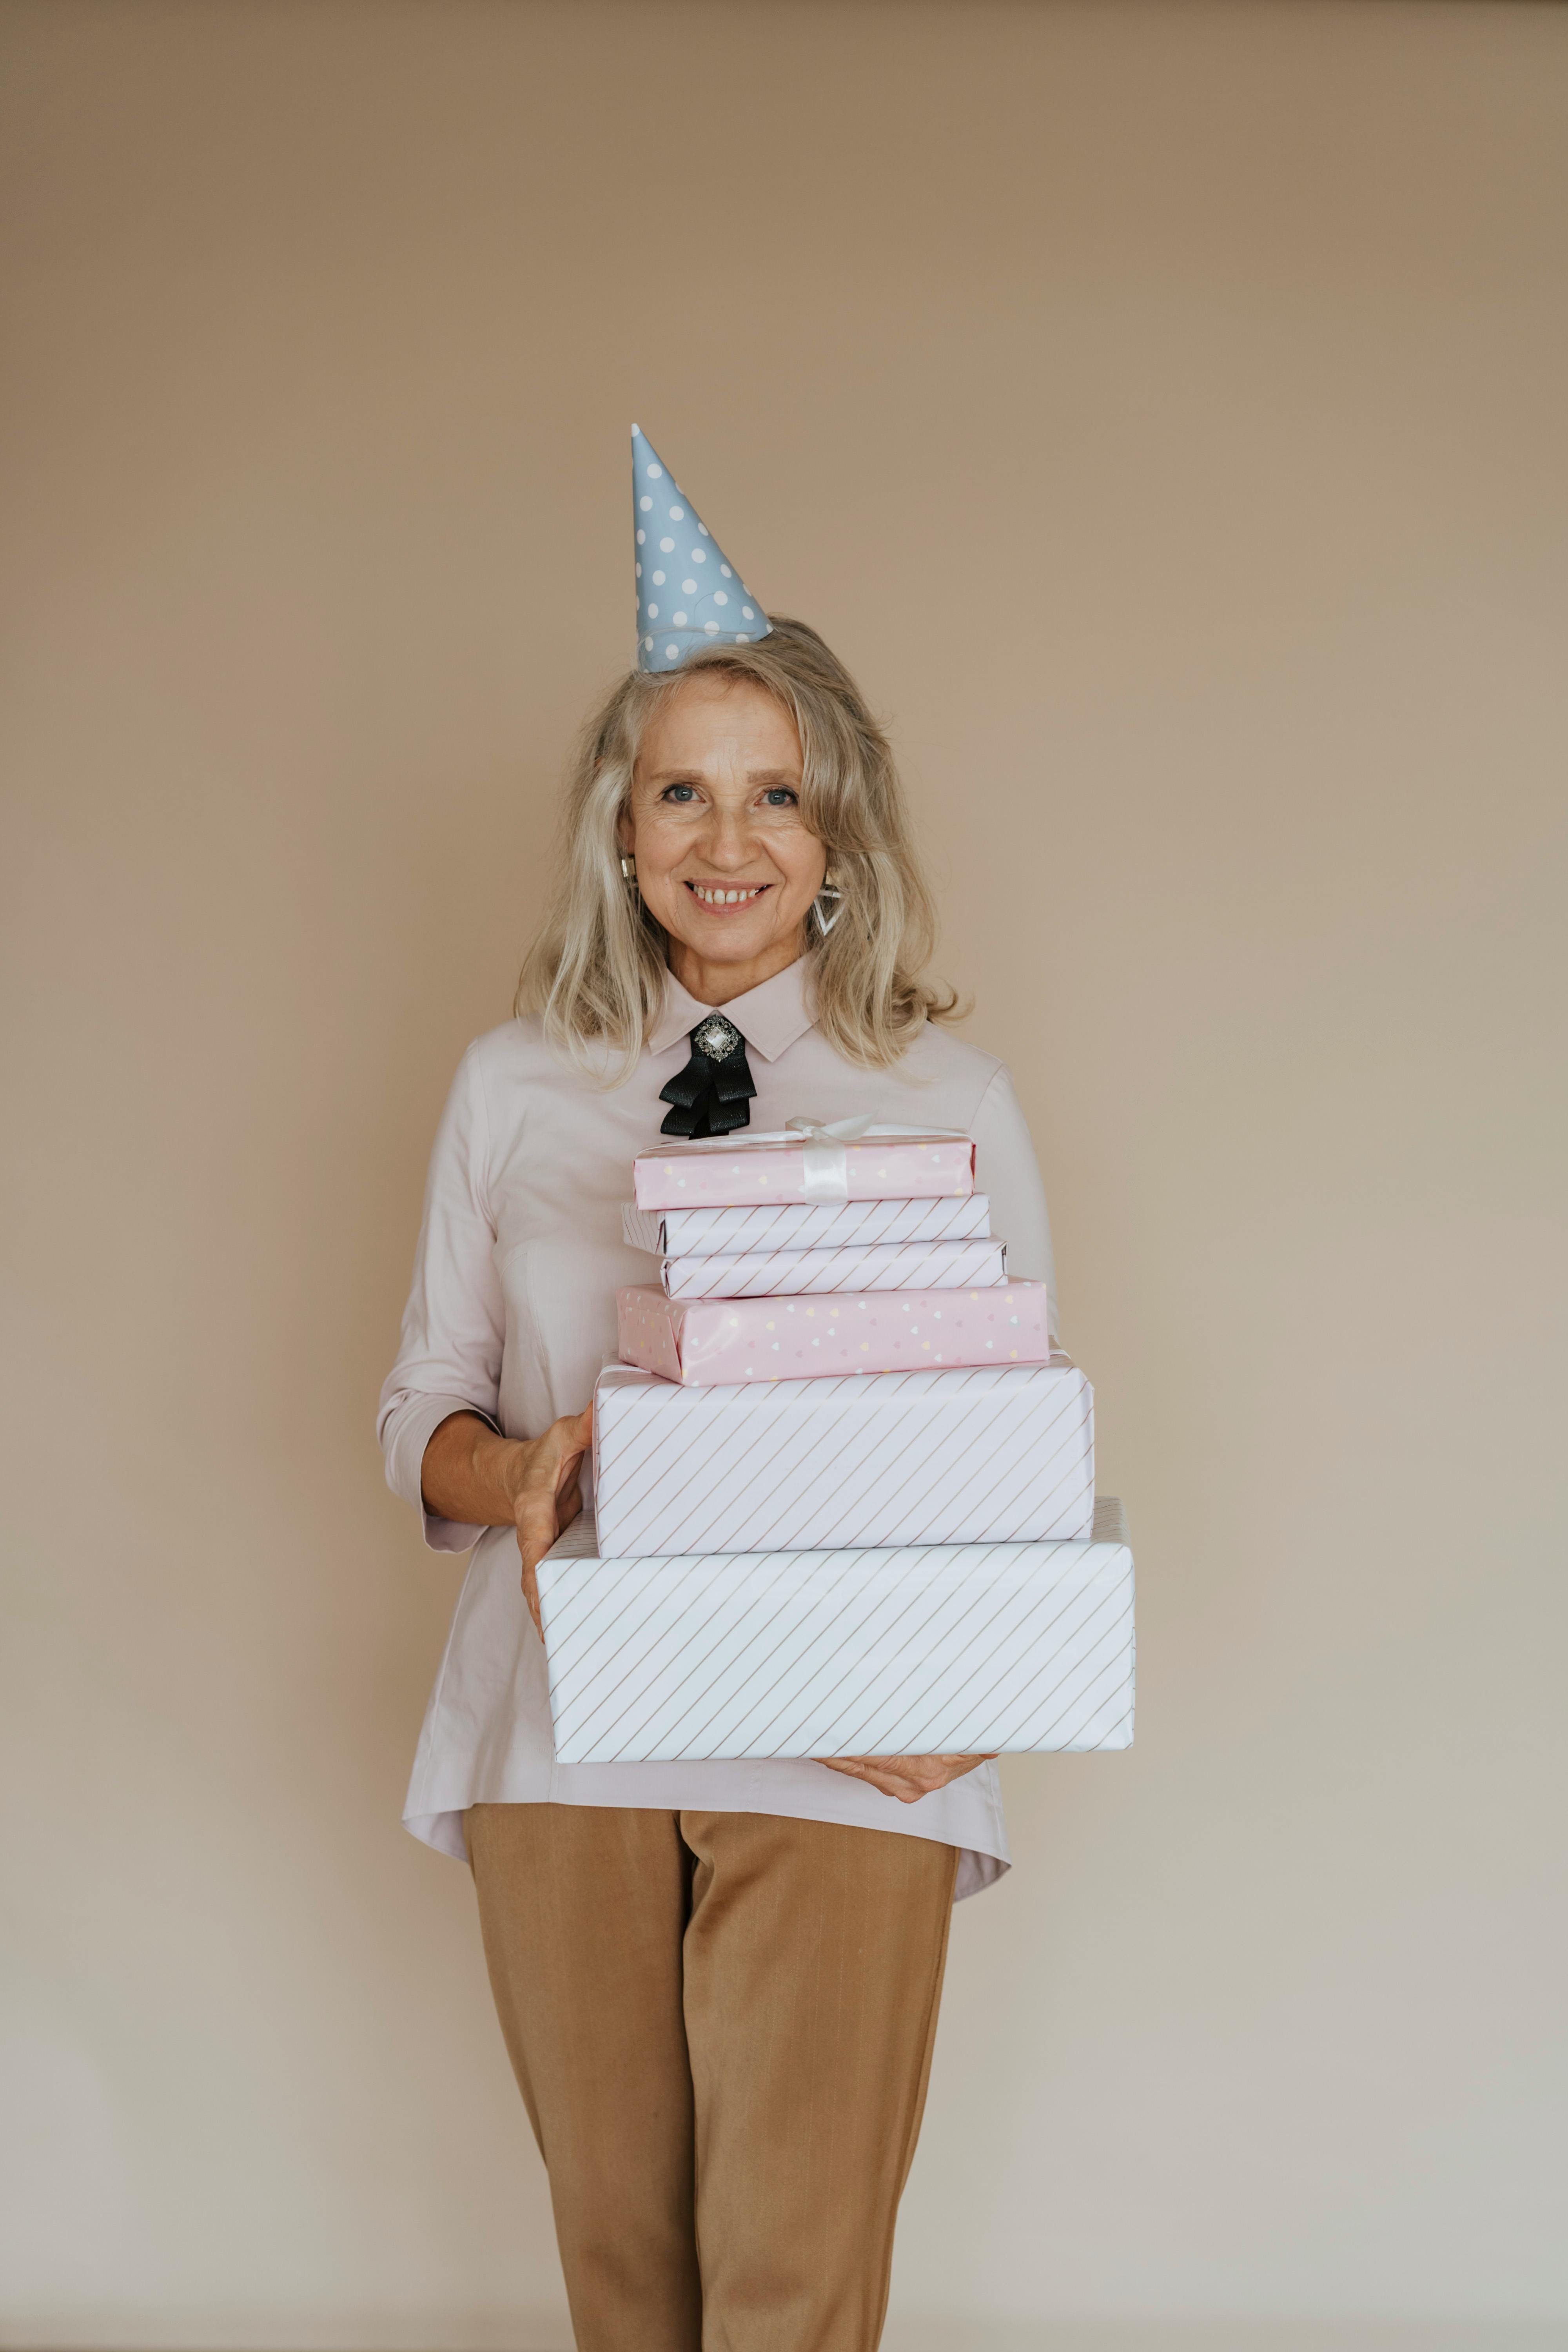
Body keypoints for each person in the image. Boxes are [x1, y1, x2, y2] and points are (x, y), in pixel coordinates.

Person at [378, 430, 1058, 2352]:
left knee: (793, 2296)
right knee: (628, 2293)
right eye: (682, 790)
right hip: (564, 1733)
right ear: (619, 825)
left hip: (847, 1740)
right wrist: (518, 1473)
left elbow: (1014, 1440)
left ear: (841, 837)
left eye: (777, 795)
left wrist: (971, 1696)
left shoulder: (948, 1103)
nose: (727, 840)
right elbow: (417, 1405)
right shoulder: (514, 1084)